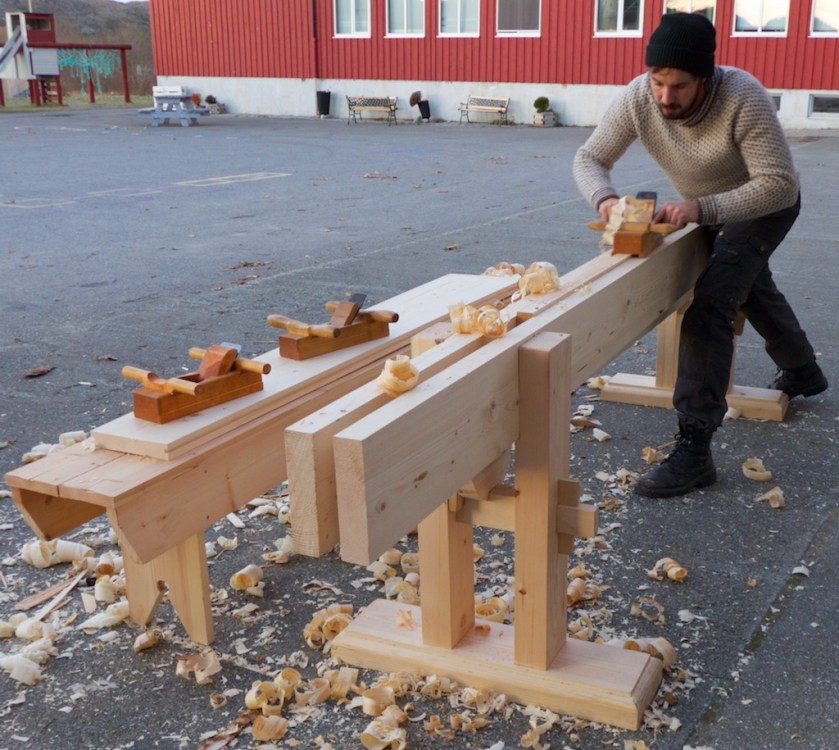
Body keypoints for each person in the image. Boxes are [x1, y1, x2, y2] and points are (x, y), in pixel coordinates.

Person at [573, 12, 827, 499]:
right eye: (658, 81)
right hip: (706, 205)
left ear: (705, 78)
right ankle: (801, 369)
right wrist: (604, 200)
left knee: (713, 298)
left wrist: (701, 208)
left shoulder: (742, 96)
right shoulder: (637, 97)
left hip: (765, 203)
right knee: (749, 282)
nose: (665, 97)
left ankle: (694, 448)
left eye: (680, 86)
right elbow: (590, 158)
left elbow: (778, 183)